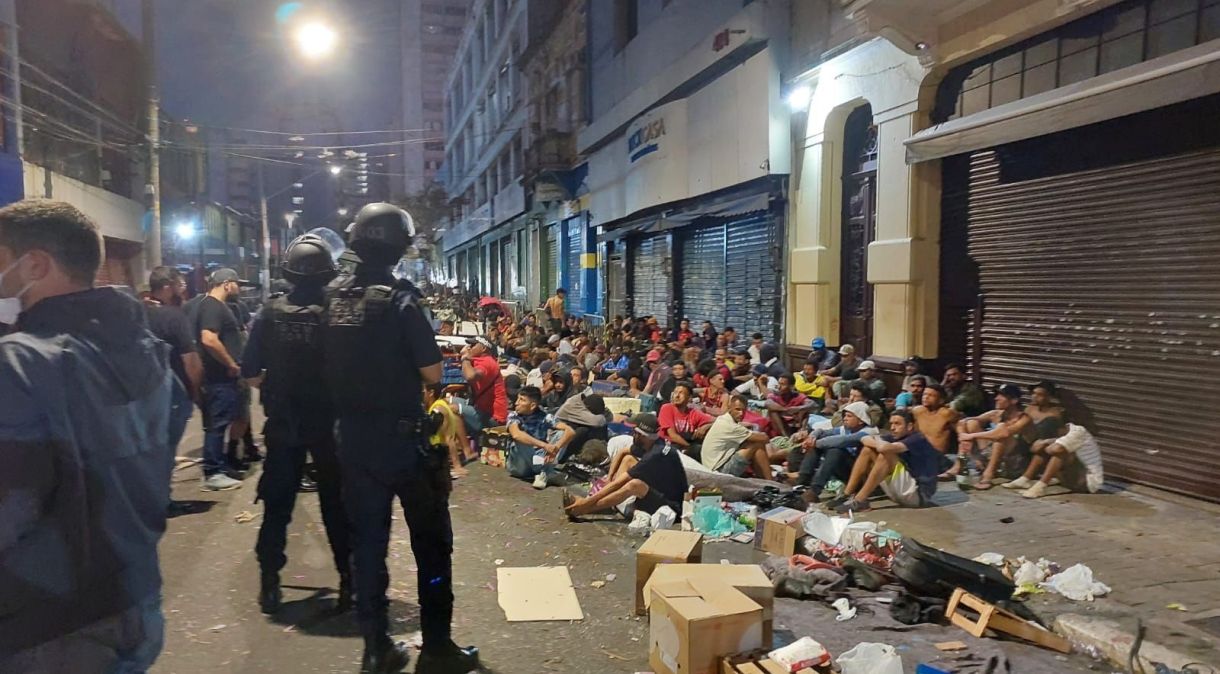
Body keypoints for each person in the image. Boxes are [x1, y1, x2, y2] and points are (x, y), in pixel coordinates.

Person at [0, 200, 174, 671]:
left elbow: (9, 510)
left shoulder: (20, 363)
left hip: (50, 626)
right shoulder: (147, 351)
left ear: (34, 264)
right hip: (136, 598)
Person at [322, 203, 478, 673]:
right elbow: (431, 369)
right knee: (431, 545)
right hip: (404, 444)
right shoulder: (399, 298)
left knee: (367, 547)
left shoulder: (330, 298)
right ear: (398, 248)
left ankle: (376, 649)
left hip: (351, 441)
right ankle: (437, 650)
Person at [241, 234, 352, 616]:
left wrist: (277, 387)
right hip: (330, 425)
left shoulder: (268, 313)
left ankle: (270, 584)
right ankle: (349, 583)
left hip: (284, 423)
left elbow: (251, 373)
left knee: (277, 506)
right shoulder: (338, 312)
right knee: (337, 506)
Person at [563, 414, 688, 519]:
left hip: (671, 507)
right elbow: (623, 451)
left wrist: (587, 502)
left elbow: (621, 483)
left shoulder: (655, 455)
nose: (632, 435)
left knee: (634, 484)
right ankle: (607, 504)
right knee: (628, 459)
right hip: (659, 490)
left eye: (635, 432)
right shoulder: (652, 443)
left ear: (642, 435)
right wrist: (609, 478)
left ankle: (585, 509)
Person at [144, 267, 203, 479]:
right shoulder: (174, 317)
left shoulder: (137, 312)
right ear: (167, 287)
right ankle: (163, 500)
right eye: (180, 285)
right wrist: (195, 391)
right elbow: (191, 361)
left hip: (141, 391)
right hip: (173, 392)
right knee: (167, 447)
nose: (184, 290)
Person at [196, 268, 249, 490]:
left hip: (225, 378)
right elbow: (208, 339)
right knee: (216, 425)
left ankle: (221, 464)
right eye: (237, 283)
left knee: (225, 421)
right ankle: (213, 472)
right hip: (219, 378)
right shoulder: (212, 306)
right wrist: (231, 364)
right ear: (226, 284)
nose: (240, 288)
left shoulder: (217, 306)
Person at [831, 410, 940, 513]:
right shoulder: (894, 436)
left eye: (897, 424)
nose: (892, 428)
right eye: (891, 424)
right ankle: (846, 494)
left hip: (918, 495)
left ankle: (860, 500)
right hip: (901, 491)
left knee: (885, 456)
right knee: (868, 450)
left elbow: (885, 449)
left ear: (910, 426)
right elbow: (864, 439)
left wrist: (879, 444)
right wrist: (879, 444)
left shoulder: (917, 438)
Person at [787, 401, 877, 499]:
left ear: (861, 420)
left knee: (835, 450)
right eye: (845, 416)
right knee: (817, 444)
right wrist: (812, 438)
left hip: (860, 474)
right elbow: (821, 431)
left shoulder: (868, 432)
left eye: (849, 416)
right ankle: (802, 481)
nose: (845, 419)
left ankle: (815, 490)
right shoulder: (846, 429)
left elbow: (842, 441)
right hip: (845, 470)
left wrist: (815, 443)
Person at [953, 383, 1033, 489]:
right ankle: (958, 467)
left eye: (1001, 396)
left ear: (1014, 400)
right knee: (972, 423)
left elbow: (1003, 433)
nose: (996, 398)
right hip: (991, 456)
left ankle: (988, 476)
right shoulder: (996, 414)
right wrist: (963, 435)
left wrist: (971, 436)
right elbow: (962, 422)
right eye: (996, 395)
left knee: (1000, 435)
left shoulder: (1024, 418)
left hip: (1014, 463)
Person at [1004, 421, 1104, 498]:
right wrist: (1045, 444)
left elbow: (1056, 449)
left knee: (1059, 453)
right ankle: (1024, 480)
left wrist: (1045, 443)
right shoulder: (1062, 434)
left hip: (1088, 482)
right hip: (1073, 477)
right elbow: (1034, 449)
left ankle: (1040, 487)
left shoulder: (1078, 432)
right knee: (1044, 450)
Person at [506, 386, 575, 489]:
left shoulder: (544, 416)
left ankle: (544, 474)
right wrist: (544, 445)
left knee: (561, 433)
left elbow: (570, 431)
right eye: (518, 399)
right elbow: (516, 434)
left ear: (533, 405)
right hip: (520, 464)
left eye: (522, 400)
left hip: (540, 458)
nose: (516, 403)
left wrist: (555, 448)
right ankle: (548, 473)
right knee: (520, 439)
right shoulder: (514, 416)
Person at [701, 396, 774, 479]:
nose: (741, 414)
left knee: (751, 443)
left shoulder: (723, 419)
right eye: (737, 409)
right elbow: (764, 438)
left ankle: (763, 477)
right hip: (719, 471)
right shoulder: (730, 426)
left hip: (713, 466)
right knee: (757, 444)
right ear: (729, 408)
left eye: (743, 410)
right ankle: (770, 481)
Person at [425, 383, 474, 479]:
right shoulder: (441, 405)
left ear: (431, 393)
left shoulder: (438, 410)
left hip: (436, 456)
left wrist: (457, 467)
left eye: (423, 392)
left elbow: (449, 439)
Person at [658, 382, 715, 459]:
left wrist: (706, 426)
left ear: (689, 398)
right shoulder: (667, 408)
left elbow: (717, 421)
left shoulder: (693, 413)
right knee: (697, 450)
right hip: (666, 446)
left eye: (681, 393)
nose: (677, 396)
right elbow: (673, 436)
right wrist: (689, 447)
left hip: (683, 447)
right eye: (675, 392)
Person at [461, 336, 508, 428]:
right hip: (481, 408)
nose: (469, 347)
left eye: (473, 345)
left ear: (483, 348)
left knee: (450, 409)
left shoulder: (487, 362)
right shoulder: (478, 360)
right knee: (446, 402)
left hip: (493, 417)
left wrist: (465, 358)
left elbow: (470, 376)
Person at [912, 383, 958, 455]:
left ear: (941, 400)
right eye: (924, 394)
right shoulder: (917, 411)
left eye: (931, 395)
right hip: (919, 453)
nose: (926, 397)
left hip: (939, 456)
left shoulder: (947, 414)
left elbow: (962, 432)